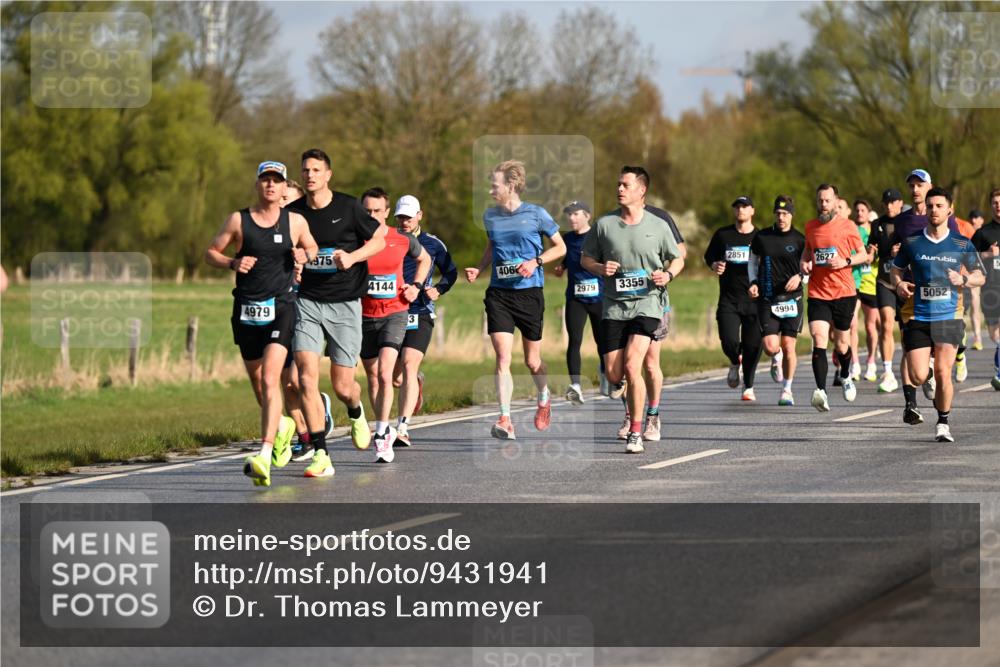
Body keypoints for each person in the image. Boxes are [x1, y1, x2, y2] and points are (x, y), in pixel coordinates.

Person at [204, 161, 318, 486]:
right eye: (265, 180)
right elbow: (210, 252)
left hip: (282, 306)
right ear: (257, 185)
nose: (271, 185)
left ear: (284, 189)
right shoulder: (238, 220)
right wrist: (232, 262)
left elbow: (311, 246)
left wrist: (304, 256)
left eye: (276, 181)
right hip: (246, 309)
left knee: (271, 378)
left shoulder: (294, 221)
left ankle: (264, 453)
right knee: (259, 384)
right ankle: (281, 425)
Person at [287, 148, 386, 478]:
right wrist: (295, 265)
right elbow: (285, 252)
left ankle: (356, 412)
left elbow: (380, 239)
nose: (310, 175)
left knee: (343, 386)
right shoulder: (293, 213)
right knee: (305, 378)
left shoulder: (347, 207)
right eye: (305, 171)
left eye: (316, 170)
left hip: (345, 304)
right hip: (308, 303)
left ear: (328, 174)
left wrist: (354, 257)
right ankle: (321, 454)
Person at [582, 165, 684, 453]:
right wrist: (601, 268)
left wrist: (668, 275)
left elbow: (677, 259)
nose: (619, 189)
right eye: (618, 184)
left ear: (641, 190)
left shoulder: (658, 225)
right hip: (614, 306)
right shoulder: (604, 225)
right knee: (615, 375)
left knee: (633, 365)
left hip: (647, 304)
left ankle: (637, 431)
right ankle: (629, 403)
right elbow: (585, 259)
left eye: (625, 185)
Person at [465, 160, 566, 440]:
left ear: (510, 186)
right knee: (502, 358)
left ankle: (544, 395)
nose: (490, 190)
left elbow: (561, 247)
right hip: (499, 294)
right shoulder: (490, 216)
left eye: (494, 185)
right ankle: (505, 418)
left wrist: (535, 262)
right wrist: (480, 267)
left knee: (532, 362)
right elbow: (491, 247)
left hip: (530, 293)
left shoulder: (537, 214)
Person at [890, 187, 985, 442]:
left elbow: (980, 276)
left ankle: (943, 423)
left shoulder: (961, 243)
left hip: (949, 315)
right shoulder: (912, 242)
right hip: (919, 316)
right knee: (919, 375)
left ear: (949, 210)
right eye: (930, 206)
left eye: (939, 206)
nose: (933, 210)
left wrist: (964, 278)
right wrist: (899, 285)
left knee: (944, 371)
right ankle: (927, 376)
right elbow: (895, 271)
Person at [358, 189, 432, 463]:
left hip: (395, 313)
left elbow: (424, 259)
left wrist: (416, 286)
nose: (372, 216)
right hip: (363, 315)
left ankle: (381, 435)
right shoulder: (355, 239)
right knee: (373, 375)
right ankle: (383, 422)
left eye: (378, 211)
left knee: (385, 373)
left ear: (386, 212)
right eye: (367, 211)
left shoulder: (400, 238)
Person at [891, 169, 963, 423]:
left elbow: (956, 248)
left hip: (944, 298)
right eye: (911, 185)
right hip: (912, 295)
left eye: (920, 185)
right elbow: (892, 255)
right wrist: (895, 264)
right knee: (910, 352)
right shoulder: (902, 221)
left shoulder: (943, 216)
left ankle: (942, 416)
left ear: (930, 187)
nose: (915, 190)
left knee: (942, 362)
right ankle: (911, 402)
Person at [391, 196, 458, 446]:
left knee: (409, 364)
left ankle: (402, 427)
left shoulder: (433, 244)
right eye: (400, 217)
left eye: (409, 217)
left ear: (420, 215)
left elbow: (451, 271)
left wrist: (439, 289)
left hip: (420, 311)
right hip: (392, 312)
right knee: (395, 378)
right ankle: (417, 382)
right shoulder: (388, 241)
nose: (404, 222)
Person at [801, 183, 869, 412]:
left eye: (827, 200)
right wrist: (804, 262)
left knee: (841, 344)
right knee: (819, 338)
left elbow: (863, 255)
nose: (823, 204)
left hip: (844, 293)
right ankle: (820, 391)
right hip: (818, 292)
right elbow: (807, 252)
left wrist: (845, 262)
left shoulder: (848, 226)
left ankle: (846, 374)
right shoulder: (810, 226)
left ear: (835, 201)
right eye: (820, 200)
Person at [748, 196, 807, 405]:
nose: (781, 217)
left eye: (785, 214)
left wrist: (800, 277)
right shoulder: (762, 237)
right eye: (778, 213)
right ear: (775, 214)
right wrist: (753, 281)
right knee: (771, 346)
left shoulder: (800, 240)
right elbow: (752, 261)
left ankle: (787, 389)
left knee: (789, 345)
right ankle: (776, 356)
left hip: (793, 298)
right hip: (768, 298)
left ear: (791, 215)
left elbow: (809, 267)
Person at [704, 195, 761, 401]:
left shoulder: (760, 238)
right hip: (729, 298)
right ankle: (735, 361)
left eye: (745, 207)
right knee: (728, 340)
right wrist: (714, 265)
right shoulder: (723, 235)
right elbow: (709, 256)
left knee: (753, 345)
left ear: (752, 211)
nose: (740, 210)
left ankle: (748, 386)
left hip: (754, 300)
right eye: (737, 207)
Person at [553, 200, 606, 404]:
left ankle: (605, 377)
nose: (571, 218)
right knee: (574, 341)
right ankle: (575, 385)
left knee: (602, 341)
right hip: (575, 298)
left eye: (576, 214)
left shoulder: (599, 237)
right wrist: (561, 268)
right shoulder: (566, 239)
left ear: (587, 216)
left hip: (599, 298)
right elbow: (566, 261)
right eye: (569, 214)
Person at [868, 188, 905, 392]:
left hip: (905, 282)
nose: (890, 206)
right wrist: (869, 253)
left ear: (900, 203)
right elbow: (871, 250)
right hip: (884, 281)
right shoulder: (877, 224)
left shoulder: (908, 223)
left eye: (893, 202)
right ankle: (888, 372)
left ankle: (913, 367)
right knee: (886, 324)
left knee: (906, 329)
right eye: (886, 202)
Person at [971, 189, 1000, 390]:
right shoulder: (983, 233)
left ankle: (999, 371)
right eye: (995, 202)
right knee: (994, 334)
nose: (998, 205)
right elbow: (968, 257)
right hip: (991, 289)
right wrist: (988, 255)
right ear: (991, 206)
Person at [852, 199, 880, 382]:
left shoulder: (874, 230)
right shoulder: (851, 229)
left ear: (868, 212)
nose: (860, 212)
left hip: (871, 283)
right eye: (857, 210)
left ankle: (871, 361)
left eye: (863, 209)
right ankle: (854, 363)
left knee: (870, 327)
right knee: (852, 324)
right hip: (854, 282)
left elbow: (879, 253)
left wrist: (873, 255)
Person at [967, 209, 986, 350]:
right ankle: (977, 337)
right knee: (975, 303)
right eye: (972, 218)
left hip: (992, 275)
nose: (974, 221)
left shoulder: (987, 232)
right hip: (976, 274)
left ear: (982, 220)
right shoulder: (968, 233)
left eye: (977, 217)